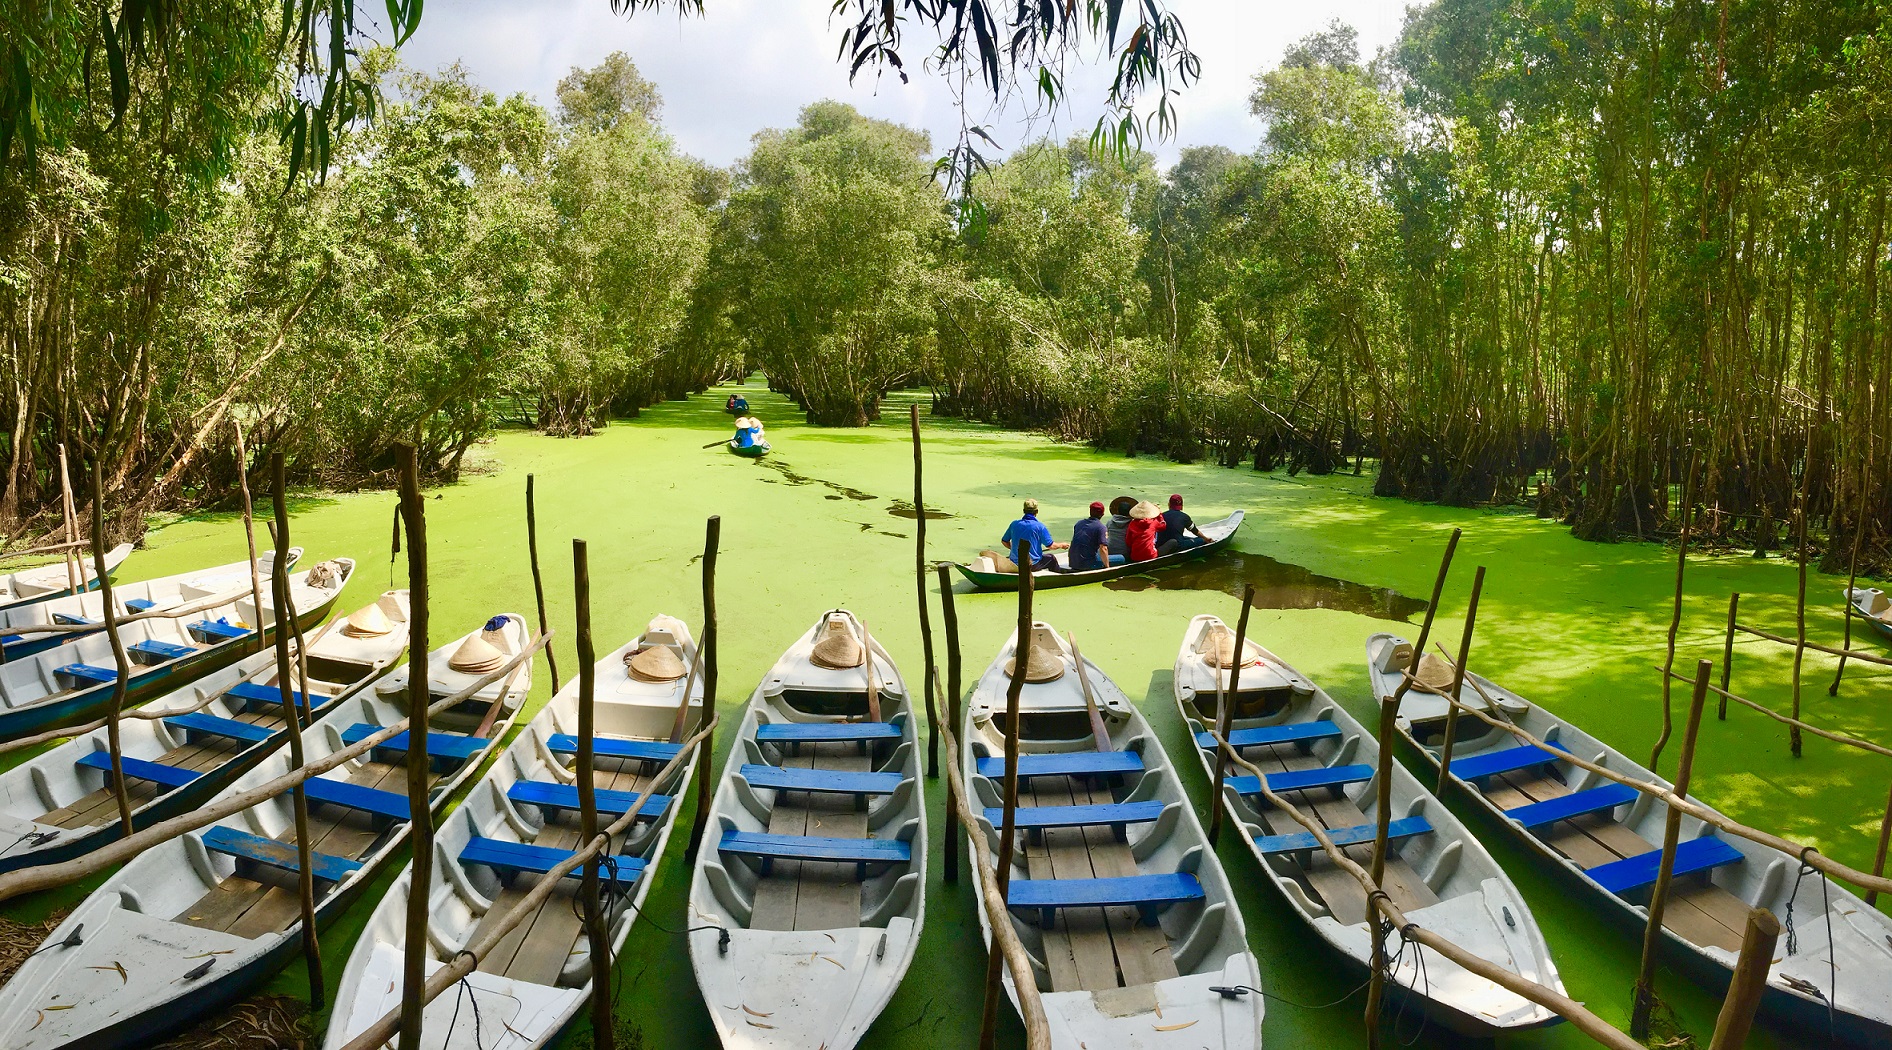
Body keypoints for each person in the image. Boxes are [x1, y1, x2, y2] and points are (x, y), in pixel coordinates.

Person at [1000, 498, 1065, 573]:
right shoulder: (1040, 527)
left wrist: (1015, 549)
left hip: (1014, 564)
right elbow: (1051, 546)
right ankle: (1058, 578)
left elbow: (1004, 541)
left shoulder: (1014, 524)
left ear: (1024, 511)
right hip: (1032, 564)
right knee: (1051, 558)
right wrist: (1062, 545)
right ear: (1036, 511)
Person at [1066, 502, 1124, 572]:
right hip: (1089, 563)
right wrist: (1107, 567)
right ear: (1102, 514)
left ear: (1090, 512)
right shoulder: (1101, 527)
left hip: (1073, 562)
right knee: (1121, 558)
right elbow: (1103, 548)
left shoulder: (1079, 523)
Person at [1105, 495, 1136, 560]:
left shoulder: (1110, 522)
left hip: (1111, 550)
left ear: (1118, 511)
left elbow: (1106, 534)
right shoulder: (1132, 524)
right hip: (1126, 552)